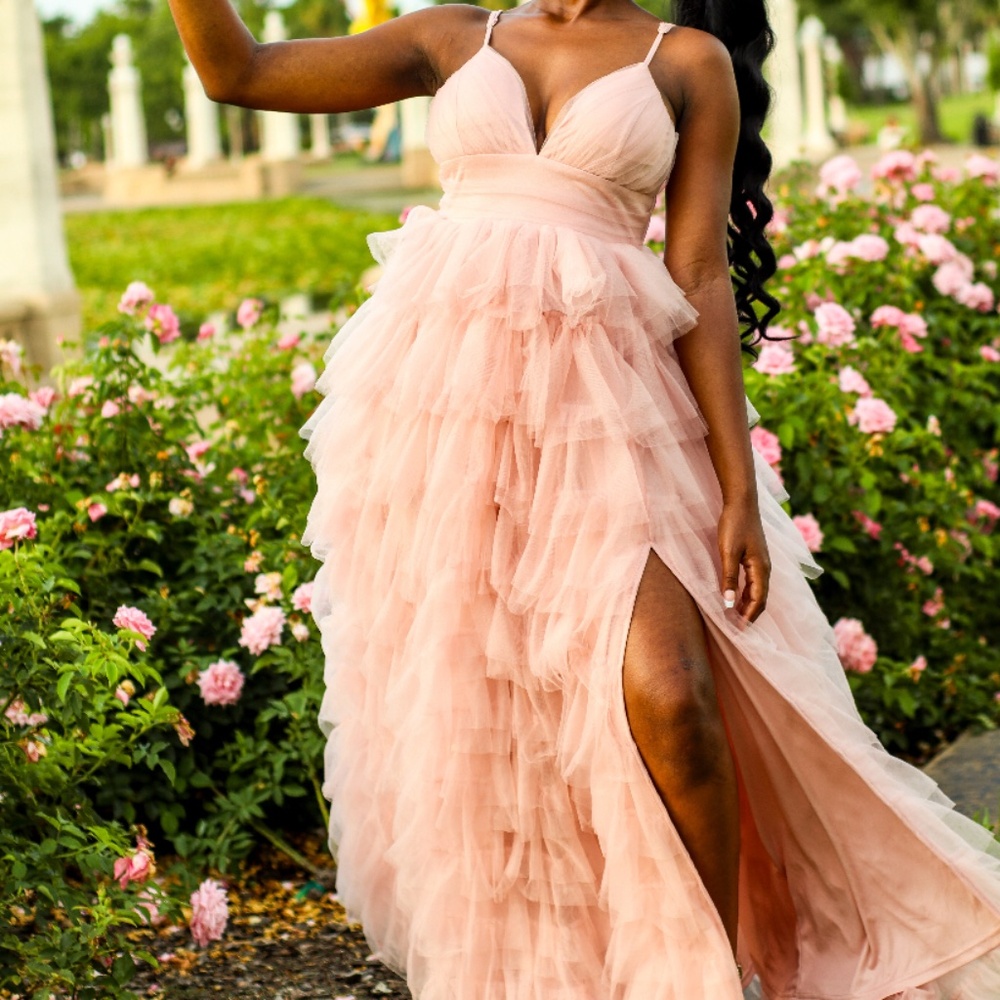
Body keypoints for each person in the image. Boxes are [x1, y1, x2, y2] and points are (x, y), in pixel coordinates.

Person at [167, 0, 1000, 996]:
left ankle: (716, 972)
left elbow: (696, 272)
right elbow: (239, 72)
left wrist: (738, 488)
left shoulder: (683, 59)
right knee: (498, 717)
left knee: (672, 695)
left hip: (609, 420)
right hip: (441, 422)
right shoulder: (449, 37)